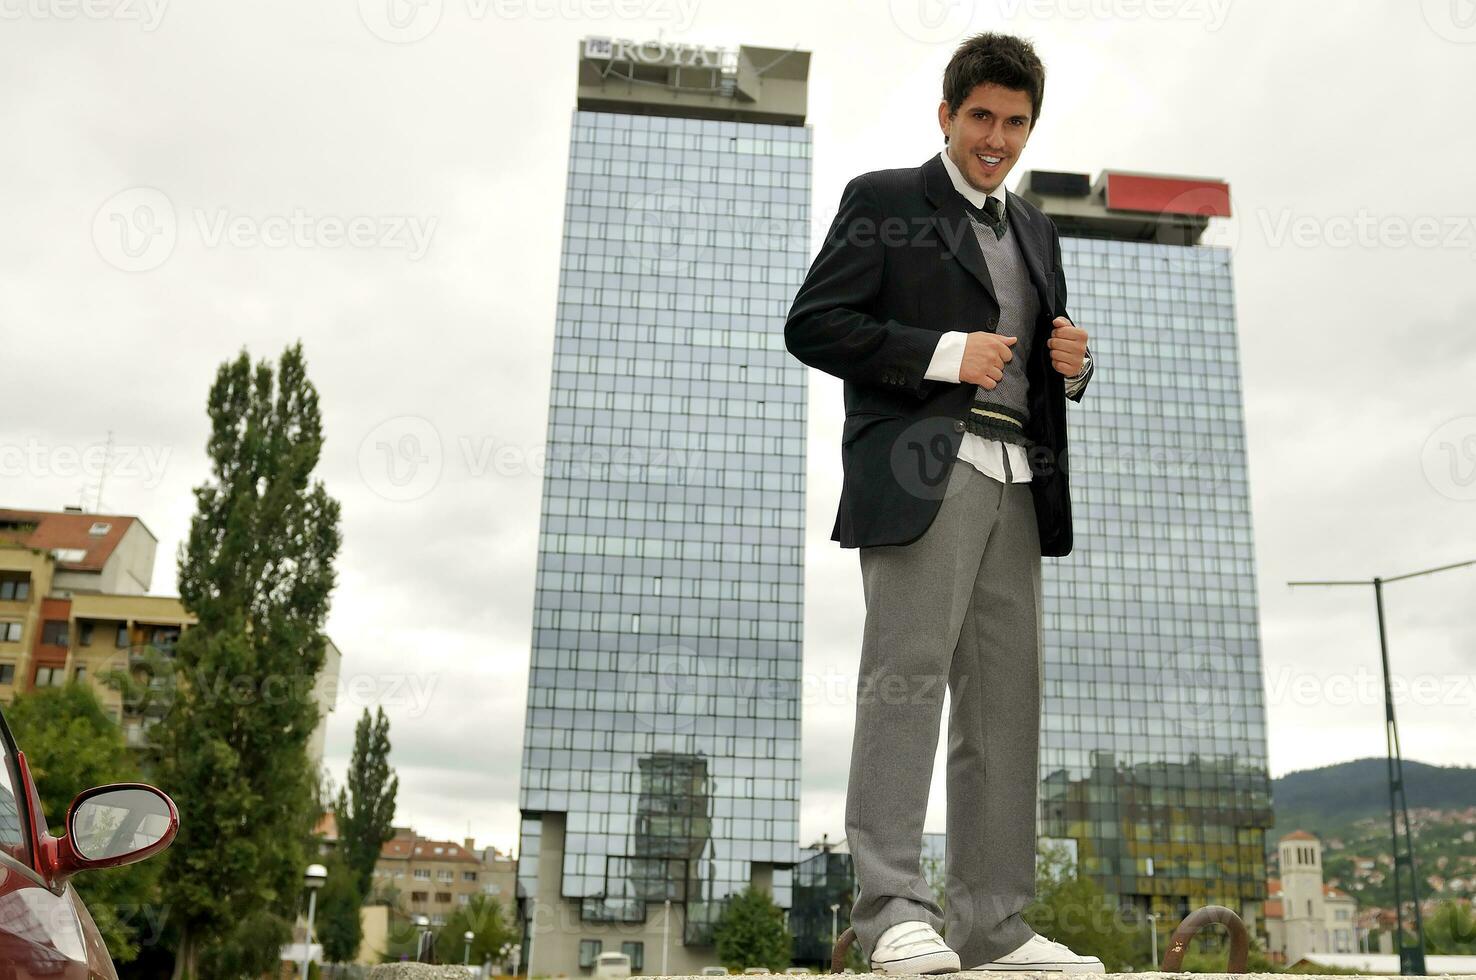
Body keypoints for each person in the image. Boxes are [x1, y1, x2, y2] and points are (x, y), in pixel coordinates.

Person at [783, 32, 1102, 975]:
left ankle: (994, 927)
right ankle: (889, 912)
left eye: (1015, 122)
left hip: (1017, 478)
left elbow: (1040, 349)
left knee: (1006, 705)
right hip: (927, 465)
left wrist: (1073, 366)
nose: (997, 138)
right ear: (947, 116)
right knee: (907, 682)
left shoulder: (1037, 227)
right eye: (981, 118)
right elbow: (815, 324)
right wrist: (942, 351)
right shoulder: (885, 200)